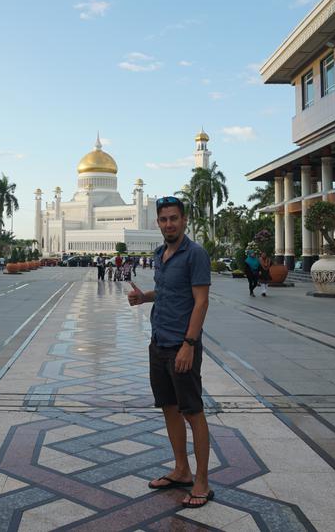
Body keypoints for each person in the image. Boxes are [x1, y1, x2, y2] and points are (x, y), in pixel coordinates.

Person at [127, 196, 213, 509]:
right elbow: (167, 292)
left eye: (174, 218)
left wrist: (189, 345)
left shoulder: (196, 254)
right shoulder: (160, 254)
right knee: (169, 408)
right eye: (163, 219)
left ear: (184, 220)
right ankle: (181, 470)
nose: (168, 224)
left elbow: (200, 301)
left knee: (192, 411)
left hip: (182, 346)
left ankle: (202, 481)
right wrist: (145, 297)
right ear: (158, 223)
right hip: (159, 342)